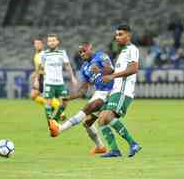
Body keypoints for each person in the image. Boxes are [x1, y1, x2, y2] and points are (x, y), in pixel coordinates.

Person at [50, 42, 114, 155]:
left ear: (90, 48)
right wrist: (68, 98)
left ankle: (60, 129)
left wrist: (99, 70)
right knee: (87, 123)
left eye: (84, 51)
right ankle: (100, 147)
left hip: (112, 90)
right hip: (100, 93)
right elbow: (83, 91)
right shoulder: (84, 68)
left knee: (89, 107)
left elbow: (111, 69)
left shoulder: (101, 56)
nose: (82, 54)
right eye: (80, 52)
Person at [98, 24, 141, 158]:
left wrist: (112, 76)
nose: (117, 37)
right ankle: (115, 150)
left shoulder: (132, 49)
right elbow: (117, 71)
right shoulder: (122, 52)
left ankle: (133, 143)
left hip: (124, 91)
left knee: (107, 117)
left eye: (120, 34)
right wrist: (102, 71)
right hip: (116, 90)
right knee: (101, 119)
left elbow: (133, 69)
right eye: (116, 35)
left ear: (129, 35)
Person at [40, 34, 78, 136]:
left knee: (65, 102)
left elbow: (67, 66)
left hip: (60, 83)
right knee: (48, 104)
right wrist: (38, 79)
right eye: (49, 41)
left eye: (53, 40)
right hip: (49, 82)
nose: (51, 42)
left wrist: (73, 78)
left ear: (57, 42)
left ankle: (55, 119)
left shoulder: (62, 53)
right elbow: (42, 67)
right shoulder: (44, 54)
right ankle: (51, 127)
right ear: (47, 43)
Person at [30, 37, 61, 111]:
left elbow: (45, 66)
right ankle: (53, 105)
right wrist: (35, 73)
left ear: (42, 45)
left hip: (45, 77)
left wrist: (36, 78)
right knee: (33, 95)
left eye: (39, 43)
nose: (37, 45)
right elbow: (38, 67)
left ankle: (60, 109)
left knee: (45, 96)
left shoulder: (43, 54)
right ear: (34, 45)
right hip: (41, 76)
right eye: (36, 43)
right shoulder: (36, 55)